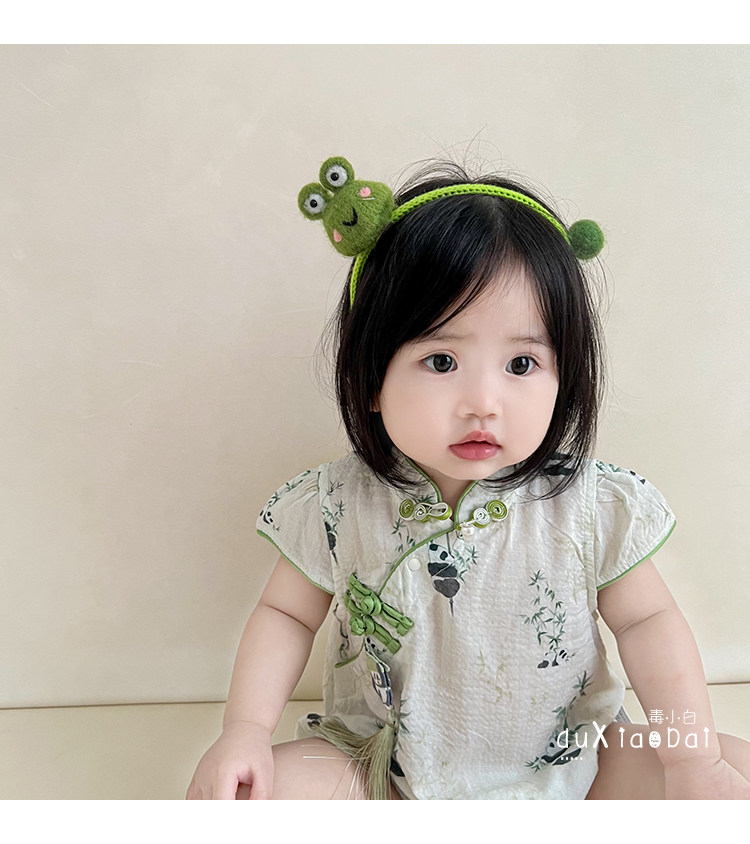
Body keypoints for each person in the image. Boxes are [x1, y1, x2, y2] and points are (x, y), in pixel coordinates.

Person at [187, 156, 750, 800]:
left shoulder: (590, 504)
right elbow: (286, 614)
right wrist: (245, 731)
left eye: (521, 364)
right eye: (442, 360)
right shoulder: (336, 504)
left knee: (733, 767)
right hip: (380, 766)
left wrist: (692, 762)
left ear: (564, 378)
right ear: (369, 379)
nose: (483, 401)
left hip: (574, 764)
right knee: (249, 799)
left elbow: (648, 622)